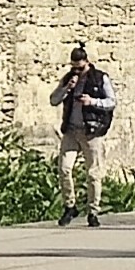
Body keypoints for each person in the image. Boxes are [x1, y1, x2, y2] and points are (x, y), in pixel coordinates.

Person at [50, 45, 119, 227]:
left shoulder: (99, 78)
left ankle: (93, 211)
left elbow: (111, 102)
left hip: (91, 131)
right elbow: (53, 100)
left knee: (93, 173)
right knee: (65, 168)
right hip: (71, 130)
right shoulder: (69, 79)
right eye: (74, 67)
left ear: (87, 63)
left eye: (80, 68)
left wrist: (92, 101)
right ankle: (70, 205)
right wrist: (67, 88)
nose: (77, 71)